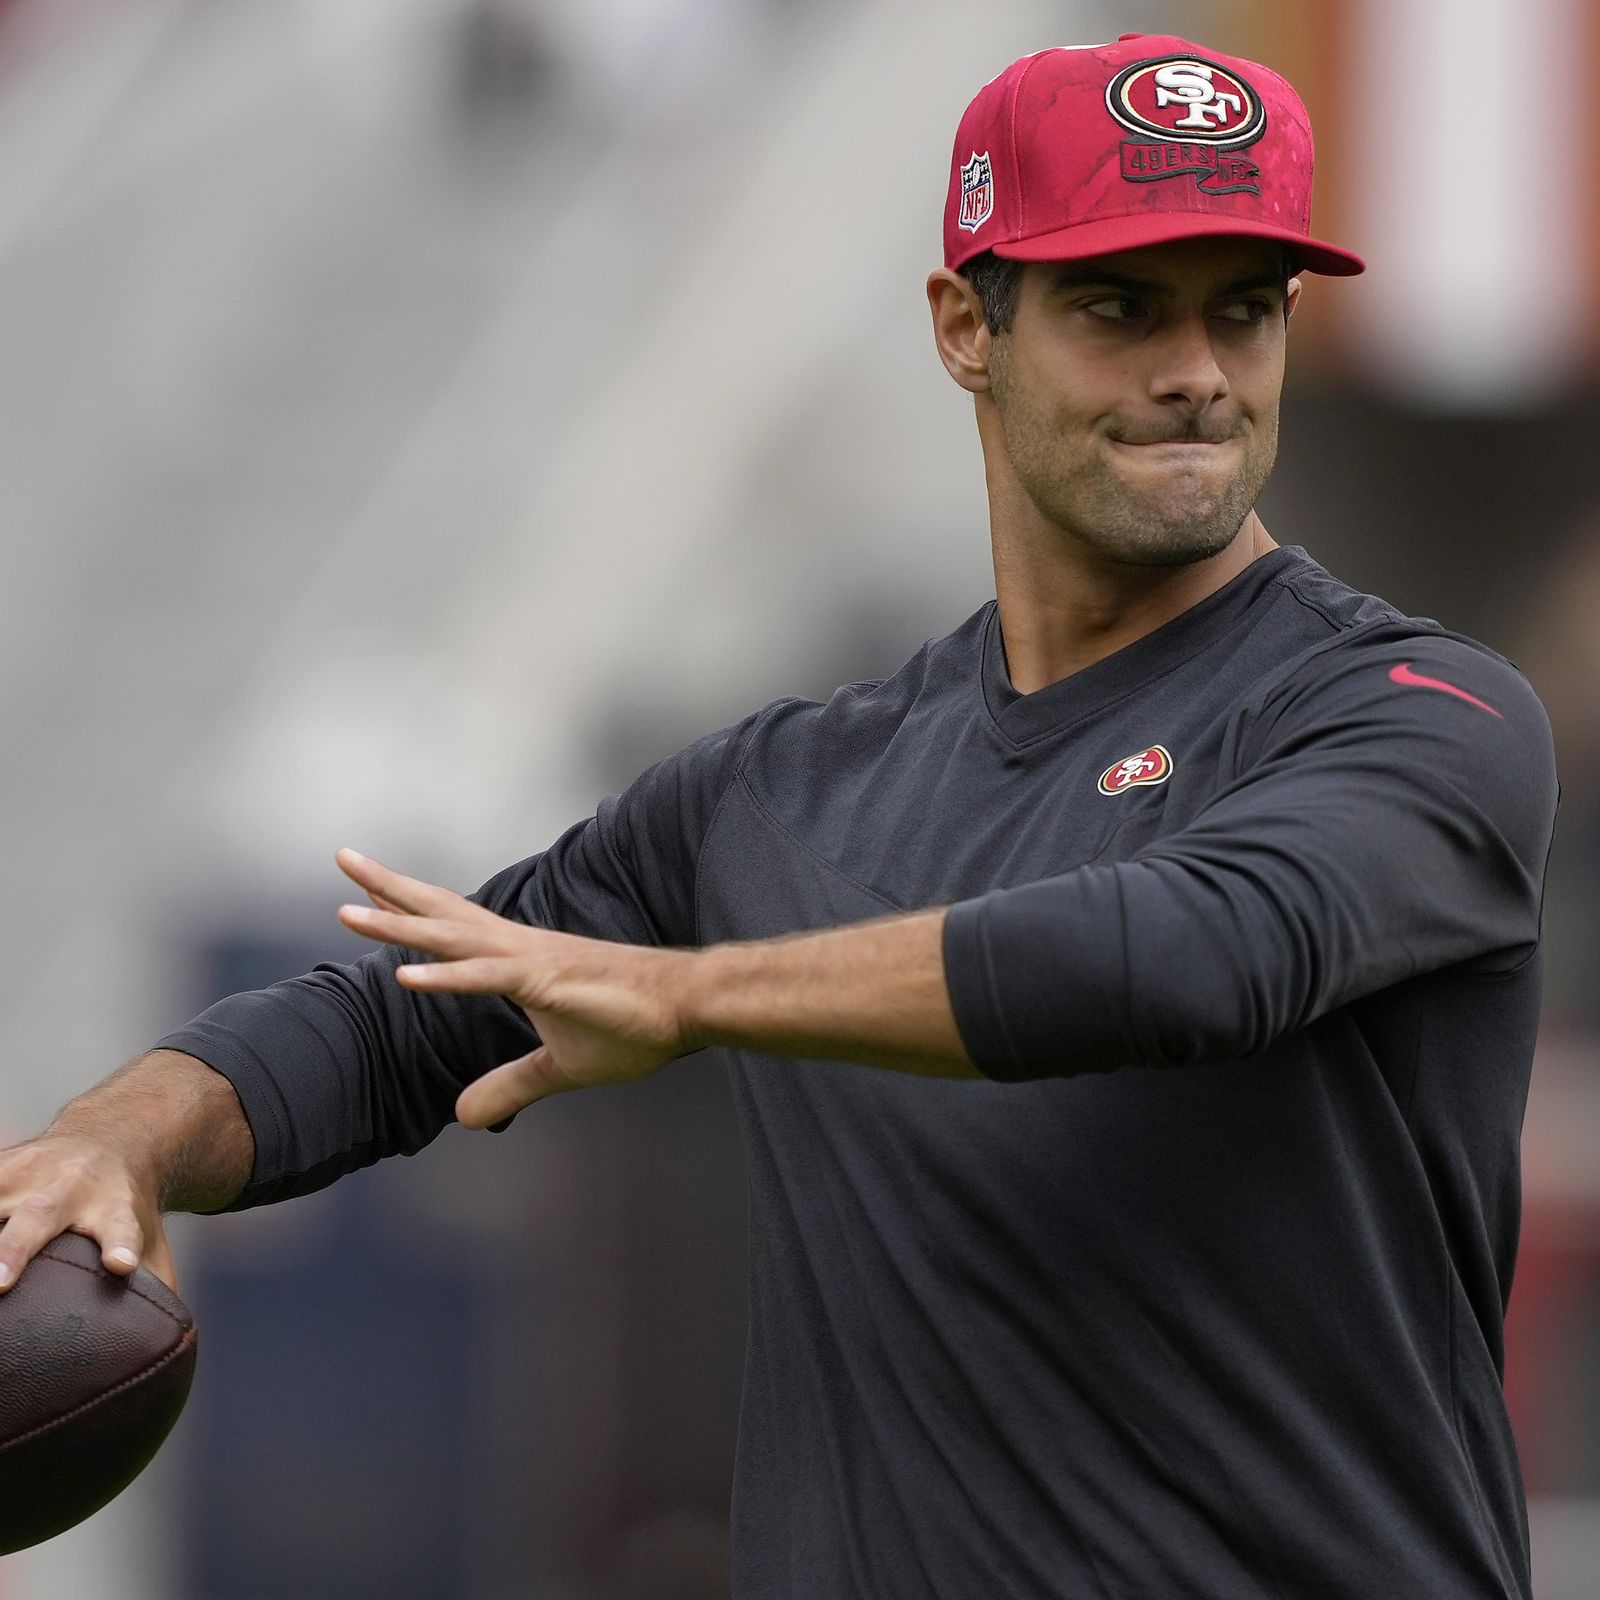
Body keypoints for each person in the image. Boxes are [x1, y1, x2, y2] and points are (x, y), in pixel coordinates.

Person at [0, 34, 1556, 1600]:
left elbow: (1200, 952)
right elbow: (397, 1021)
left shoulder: (1419, 716)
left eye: (1243, 307)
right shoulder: (782, 790)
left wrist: (691, 992)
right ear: (966, 328)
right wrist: (113, 1139)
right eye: (1118, 306)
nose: (1197, 371)